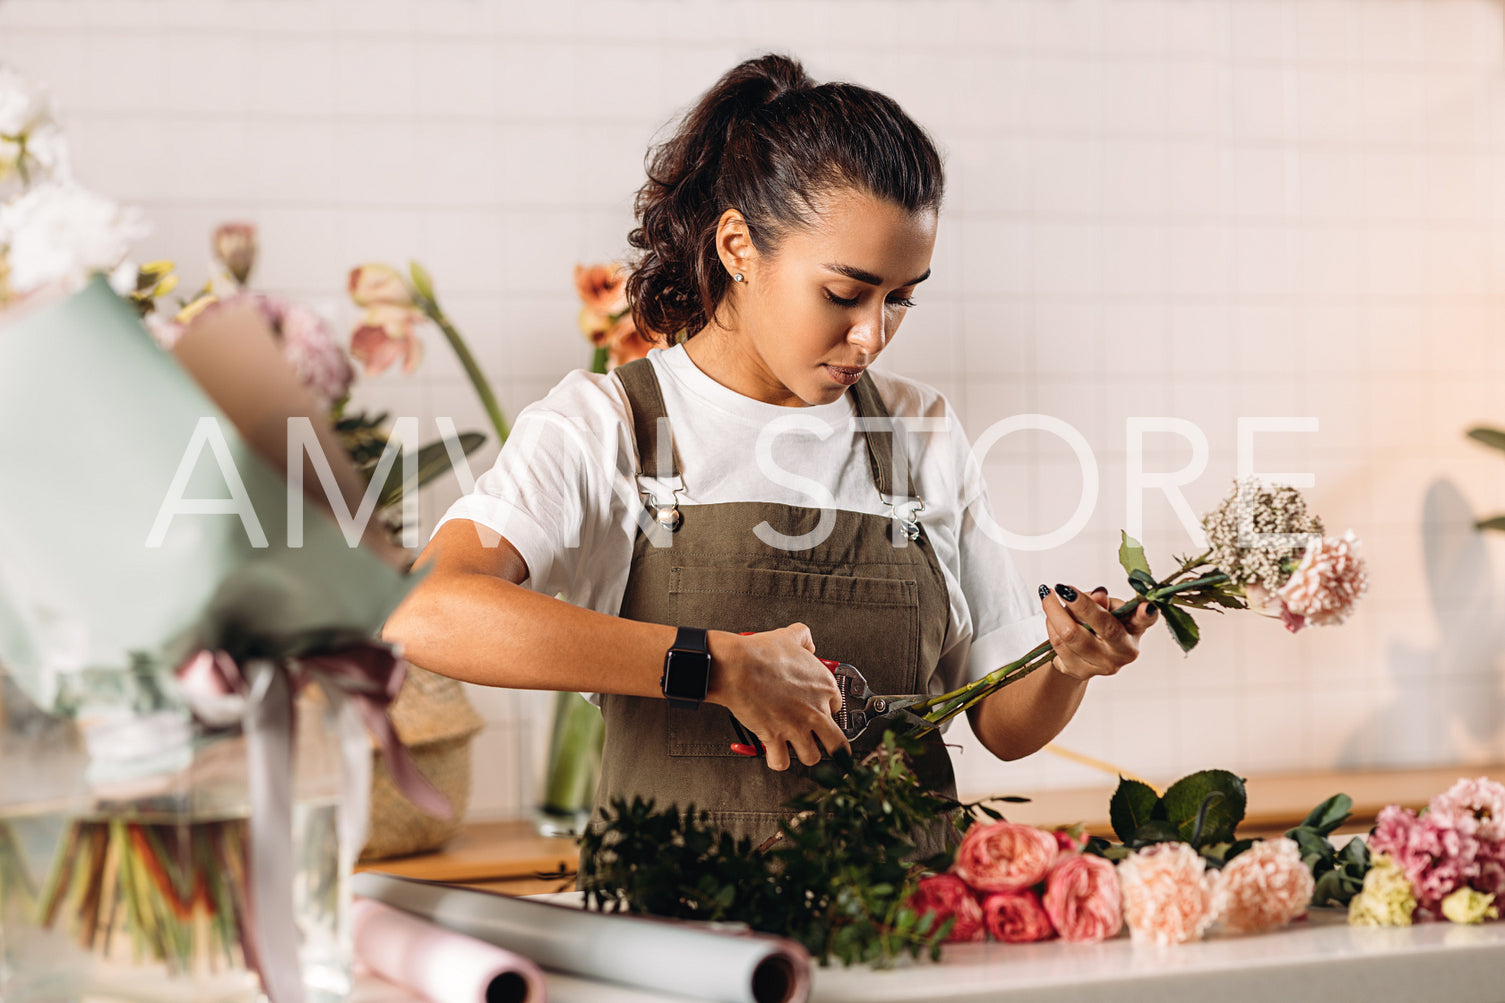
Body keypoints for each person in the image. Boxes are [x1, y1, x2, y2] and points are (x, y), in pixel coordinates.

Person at [382, 54, 1154, 854]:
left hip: (901, 934)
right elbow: (422, 612)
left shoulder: (917, 427)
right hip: (683, 944)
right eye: (844, 293)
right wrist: (715, 666)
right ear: (739, 246)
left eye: (901, 298)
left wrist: (1067, 665)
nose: (872, 334)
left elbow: (1000, 726)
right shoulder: (608, 421)